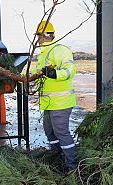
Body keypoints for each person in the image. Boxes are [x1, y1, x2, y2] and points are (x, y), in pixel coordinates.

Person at [31, 21, 78, 171]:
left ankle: (72, 166)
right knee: (49, 131)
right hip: (49, 102)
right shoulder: (44, 54)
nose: (37, 39)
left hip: (61, 101)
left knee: (61, 132)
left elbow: (70, 70)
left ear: (45, 36)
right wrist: (25, 81)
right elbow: (38, 76)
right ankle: (57, 156)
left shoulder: (60, 50)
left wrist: (54, 73)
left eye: (38, 36)